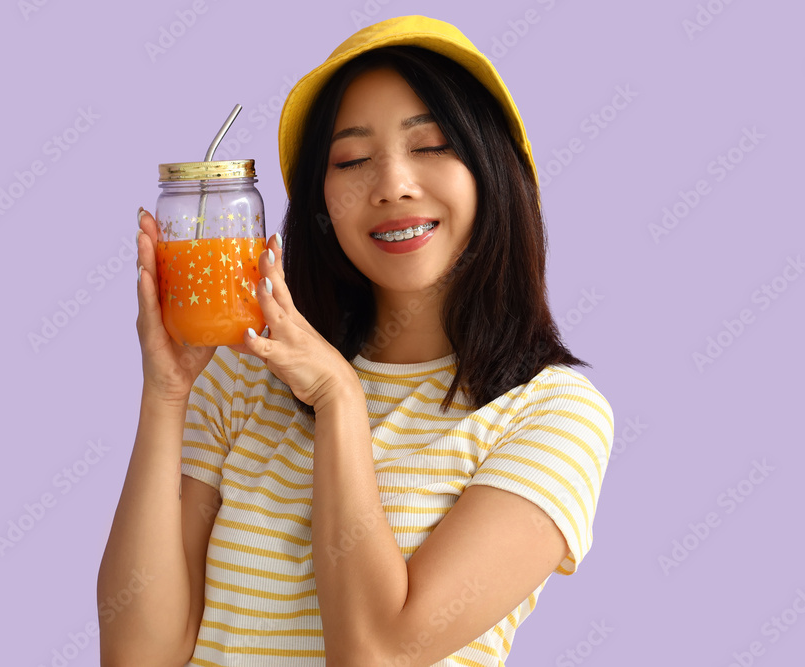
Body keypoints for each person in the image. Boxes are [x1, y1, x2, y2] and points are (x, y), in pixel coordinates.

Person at [98, 14, 614, 667]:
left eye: (429, 147)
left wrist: (340, 397)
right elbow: (134, 653)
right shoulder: (242, 378)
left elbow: (374, 654)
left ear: (491, 169)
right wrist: (166, 395)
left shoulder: (552, 413)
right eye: (352, 159)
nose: (394, 184)